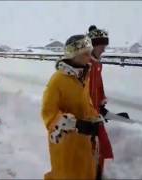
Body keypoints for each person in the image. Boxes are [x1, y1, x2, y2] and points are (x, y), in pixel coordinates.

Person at [41, 34, 104, 179]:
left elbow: (85, 103)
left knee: (84, 171)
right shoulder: (57, 80)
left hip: (84, 142)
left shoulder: (83, 77)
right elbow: (48, 113)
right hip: (66, 144)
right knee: (67, 174)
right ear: (74, 55)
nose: (90, 57)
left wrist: (95, 118)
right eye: (86, 54)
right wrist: (75, 124)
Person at [88, 25, 114, 179]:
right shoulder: (86, 65)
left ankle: (97, 173)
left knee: (100, 145)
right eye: (102, 46)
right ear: (93, 45)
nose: (104, 50)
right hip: (86, 114)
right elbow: (84, 92)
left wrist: (101, 105)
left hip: (95, 112)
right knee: (91, 147)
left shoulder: (97, 63)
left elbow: (98, 86)